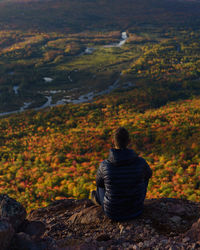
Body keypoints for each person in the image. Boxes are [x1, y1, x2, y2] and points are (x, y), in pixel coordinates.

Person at [91, 127, 152, 221]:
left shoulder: (104, 165)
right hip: (136, 210)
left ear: (113, 141)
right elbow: (149, 175)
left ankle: (97, 198)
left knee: (100, 184)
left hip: (112, 212)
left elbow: (99, 184)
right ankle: (135, 199)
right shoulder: (141, 162)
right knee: (145, 176)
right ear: (129, 141)